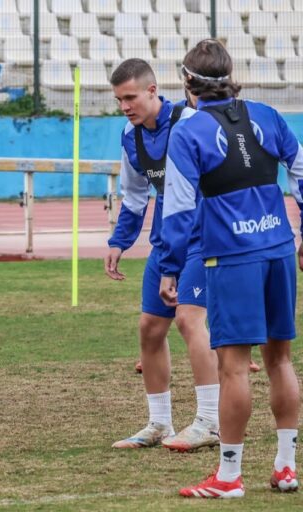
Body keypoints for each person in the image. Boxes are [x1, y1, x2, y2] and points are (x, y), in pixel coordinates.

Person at [160, 39, 302, 498]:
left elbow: (179, 212)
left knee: (234, 369)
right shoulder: (268, 114)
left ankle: (228, 476)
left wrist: (169, 268)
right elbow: (301, 172)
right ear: (231, 74)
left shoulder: (187, 131)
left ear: (188, 82)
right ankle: (285, 467)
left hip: (231, 258)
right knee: (280, 360)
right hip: (278, 249)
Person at [105, 58, 220, 452]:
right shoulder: (130, 135)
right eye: (119, 99)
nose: (125, 106)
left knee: (190, 321)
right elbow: (136, 196)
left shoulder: (191, 123)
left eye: (131, 97)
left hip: (203, 240)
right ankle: (158, 423)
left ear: (153, 91)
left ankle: (209, 421)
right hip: (165, 243)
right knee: (150, 329)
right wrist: (119, 241)